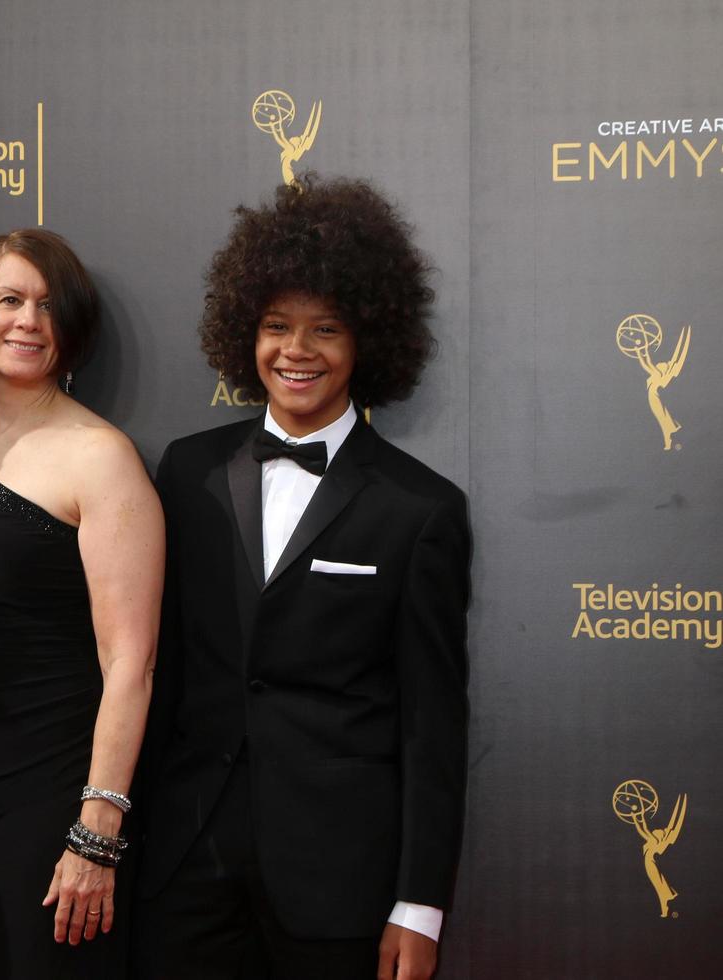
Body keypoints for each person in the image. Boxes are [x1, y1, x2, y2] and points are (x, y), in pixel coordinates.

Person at [134, 176, 471, 980]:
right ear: (243, 335)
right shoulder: (188, 472)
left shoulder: (420, 509)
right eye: (277, 326)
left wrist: (419, 905)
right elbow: (157, 668)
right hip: (185, 866)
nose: (297, 351)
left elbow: (432, 722)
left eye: (326, 329)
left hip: (339, 881)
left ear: (368, 340)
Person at [0, 229, 164, 978]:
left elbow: (130, 663)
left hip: (54, 808)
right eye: (10, 300)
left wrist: (96, 832)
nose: (28, 321)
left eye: (49, 306)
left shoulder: (102, 458)